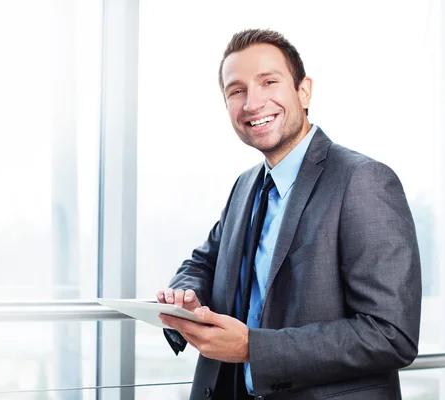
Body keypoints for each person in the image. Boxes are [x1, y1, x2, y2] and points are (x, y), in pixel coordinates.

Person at [156, 28, 421, 400]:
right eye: (237, 91)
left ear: (304, 90)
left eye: (269, 82)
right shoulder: (245, 185)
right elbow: (204, 262)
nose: (252, 103)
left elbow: (391, 334)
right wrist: (185, 299)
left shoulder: (363, 181)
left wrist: (253, 348)